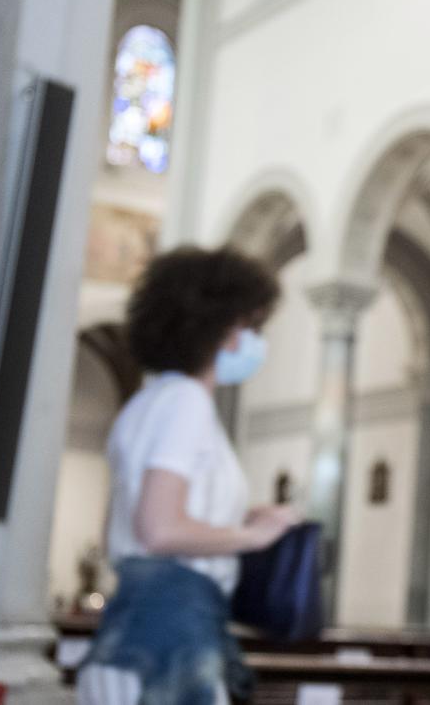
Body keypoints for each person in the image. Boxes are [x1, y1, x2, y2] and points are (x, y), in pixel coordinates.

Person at [77, 247, 299, 705]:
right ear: (223, 328)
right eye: (251, 327)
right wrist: (251, 536)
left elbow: (130, 524)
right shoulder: (186, 403)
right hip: (167, 638)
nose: (255, 341)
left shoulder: (147, 401)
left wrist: (234, 516)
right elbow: (159, 530)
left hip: (138, 628)